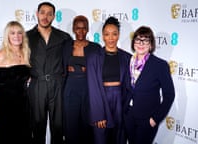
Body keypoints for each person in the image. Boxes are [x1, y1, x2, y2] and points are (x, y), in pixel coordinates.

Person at [26, 2, 72, 144]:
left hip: (58, 85)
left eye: (49, 14)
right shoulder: (26, 37)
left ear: (53, 16)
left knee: (58, 126)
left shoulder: (64, 37)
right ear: (37, 14)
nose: (45, 16)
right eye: (42, 12)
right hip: (37, 84)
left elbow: (71, 60)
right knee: (37, 125)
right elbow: (16, 57)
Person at [0, 21, 32, 144]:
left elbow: (24, 77)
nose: (16, 36)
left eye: (19, 33)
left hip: (23, 106)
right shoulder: (0, 55)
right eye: (12, 33)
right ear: (7, 36)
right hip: (5, 107)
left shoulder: (26, 54)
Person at [123, 26, 175, 144]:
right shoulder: (128, 61)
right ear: (133, 43)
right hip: (129, 116)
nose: (141, 43)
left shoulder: (160, 65)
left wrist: (155, 119)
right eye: (138, 39)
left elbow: (169, 95)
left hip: (147, 119)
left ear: (151, 45)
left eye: (145, 40)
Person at [86, 16, 131, 144]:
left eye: (114, 34)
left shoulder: (127, 58)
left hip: (120, 102)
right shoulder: (93, 58)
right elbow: (93, 87)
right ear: (102, 36)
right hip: (101, 99)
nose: (110, 38)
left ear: (119, 35)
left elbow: (129, 86)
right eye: (107, 34)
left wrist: (126, 108)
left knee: (119, 138)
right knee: (100, 138)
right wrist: (98, 114)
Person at [62, 15, 101, 144]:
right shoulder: (66, 46)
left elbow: (100, 71)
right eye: (78, 28)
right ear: (73, 29)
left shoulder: (95, 48)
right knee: (71, 125)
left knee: (87, 124)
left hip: (88, 88)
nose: (81, 31)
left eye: (84, 28)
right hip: (70, 88)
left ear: (88, 29)